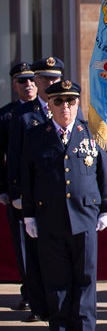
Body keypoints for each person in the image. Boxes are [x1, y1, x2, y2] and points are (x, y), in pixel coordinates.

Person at [21, 80, 107, 330]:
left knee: (85, 281)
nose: (65, 107)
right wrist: (29, 216)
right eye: (58, 101)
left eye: (70, 101)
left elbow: (103, 172)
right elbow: (27, 178)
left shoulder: (91, 132)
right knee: (57, 283)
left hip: (84, 218)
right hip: (50, 220)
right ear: (49, 104)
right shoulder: (36, 137)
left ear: (77, 104)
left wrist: (106, 207)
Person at [7, 55, 66, 322]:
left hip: (59, 198)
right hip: (32, 198)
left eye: (53, 78)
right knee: (32, 254)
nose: (46, 82)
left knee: (59, 255)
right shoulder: (22, 116)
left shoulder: (68, 107)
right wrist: (16, 193)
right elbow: (15, 159)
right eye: (42, 78)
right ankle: (37, 304)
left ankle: (59, 305)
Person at [0, 62, 38, 313]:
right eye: (23, 81)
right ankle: (30, 292)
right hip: (18, 190)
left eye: (32, 80)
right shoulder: (7, 115)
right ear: (14, 85)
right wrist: (3, 189)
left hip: (45, 190)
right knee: (23, 245)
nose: (29, 85)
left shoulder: (49, 109)